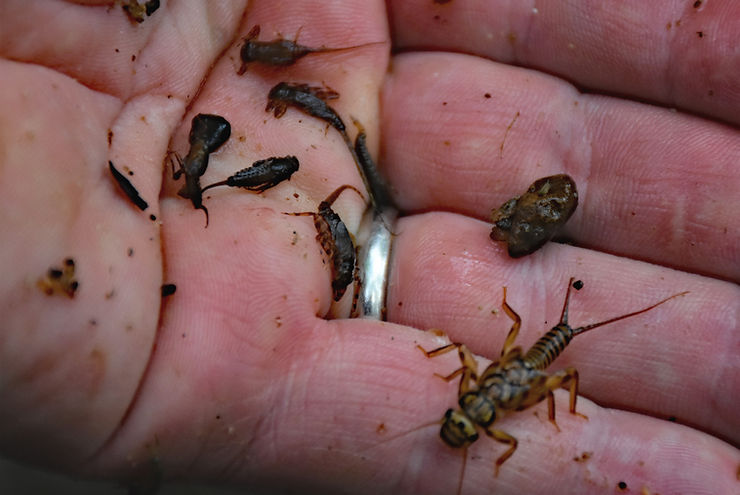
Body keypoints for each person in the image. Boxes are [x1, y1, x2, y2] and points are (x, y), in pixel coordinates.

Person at [0, 1, 737, 494]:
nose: (466, 417)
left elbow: (480, 361)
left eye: (461, 417)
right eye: (464, 420)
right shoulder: (489, 391)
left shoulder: (492, 385)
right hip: (528, 358)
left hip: (531, 358)